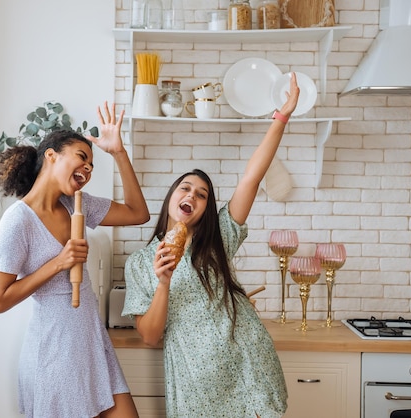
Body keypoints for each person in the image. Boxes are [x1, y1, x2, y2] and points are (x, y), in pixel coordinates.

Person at [122, 73, 300, 418]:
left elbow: (252, 176)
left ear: (205, 210)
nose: (192, 195)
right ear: (172, 198)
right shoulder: (142, 262)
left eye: (202, 195)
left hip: (248, 371)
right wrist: (163, 281)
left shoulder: (219, 238)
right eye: (185, 188)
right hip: (196, 384)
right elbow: (149, 335)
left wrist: (282, 116)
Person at [0, 102, 149, 418]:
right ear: (52, 156)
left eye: (91, 167)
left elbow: (138, 213)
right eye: (81, 158)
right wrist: (58, 263)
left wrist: (118, 153)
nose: (87, 170)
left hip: (90, 342)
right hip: (54, 353)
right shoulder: (18, 221)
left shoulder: (76, 204)